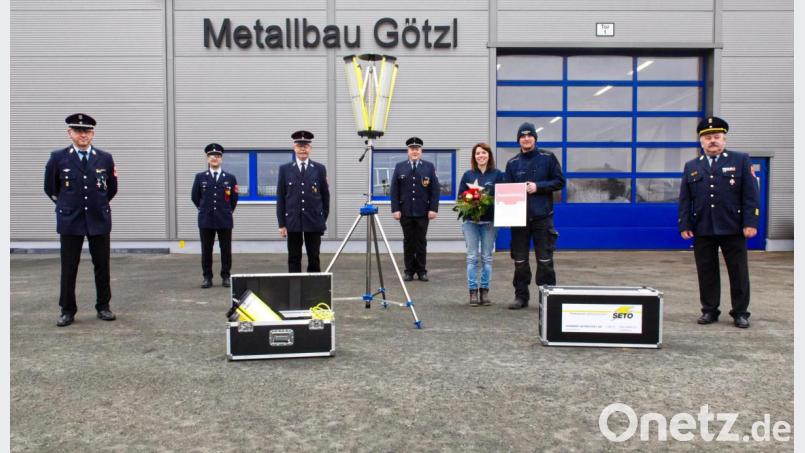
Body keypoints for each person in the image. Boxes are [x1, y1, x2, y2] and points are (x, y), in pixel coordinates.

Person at [678, 116, 760, 328]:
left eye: (716, 136)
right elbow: (685, 199)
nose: (712, 141)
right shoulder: (691, 166)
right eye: (707, 138)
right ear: (701, 141)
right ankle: (709, 311)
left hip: (733, 226)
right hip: (703, 227)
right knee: (706, 271)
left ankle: (740, 313)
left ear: (724, 139)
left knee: (738, 271)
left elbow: (751, 195)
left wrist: (751, 222)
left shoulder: (740, 160)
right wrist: (684, 224)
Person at [44, 113, 118, 327]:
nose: (83, 135)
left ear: (93, 133)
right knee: (69, 267)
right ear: (70, 133)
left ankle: (103, 306)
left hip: (98, 219)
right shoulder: (58, 157)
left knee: (102, 265)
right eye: (78, 131)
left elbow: (111, 189)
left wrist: (97, 204)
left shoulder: (105, 158)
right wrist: (66, 205)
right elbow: (50, 188)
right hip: (71, 220)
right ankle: (67, 310)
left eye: (87, 131)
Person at [504, 122, 565, 310]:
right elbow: (507, 191)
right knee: (520, 261)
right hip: (519, 220)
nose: (526, 139)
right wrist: (507, 215)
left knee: (545, 260)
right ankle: (521, 297)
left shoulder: (548, 158)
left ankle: (548, 298)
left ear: (535, 139)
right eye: (522, 136)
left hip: (542, 218)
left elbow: (560, 181)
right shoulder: (512, 163)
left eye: (529, 135)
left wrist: (538, 187)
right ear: (518, 140)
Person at [457, 143, 506, 306]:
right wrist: (471, 201)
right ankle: (472, 292)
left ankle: (484, 291)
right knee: (472, 257)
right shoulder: (468, 175)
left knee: (487, 257)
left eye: (484, 153)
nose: (481, 156)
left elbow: (504, 196)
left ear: (489, 155)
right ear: (474, 157)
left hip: (490, 222)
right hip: (470, 222)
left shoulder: (498, 175)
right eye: (477, 153)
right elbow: (460, 197)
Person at [276, 130, 330, 272]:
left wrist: (322, 219)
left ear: (310, 148)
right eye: (299, 146)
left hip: (314, 220)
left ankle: (314, 285)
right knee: (294, 257)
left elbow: (325, 196)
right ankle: (295, 284)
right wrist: (282, 224)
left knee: (314, 257)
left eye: (305, 146)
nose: (303, 149)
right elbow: (281, 197)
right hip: (293, 221)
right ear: (294, 148)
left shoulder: (319, 169)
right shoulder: (285, 169)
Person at [390, 137, 440, 282]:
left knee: (421, 242)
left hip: (423, 212)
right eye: (412, 149)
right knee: (408, 242)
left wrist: (433, 208)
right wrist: (395, 209)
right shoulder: (400, 167)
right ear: (408, 151)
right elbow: (394, 190)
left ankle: (422, 271)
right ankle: (409, 271)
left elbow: (435, 190)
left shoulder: (429, 167)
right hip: (405, 211)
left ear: (421, 151)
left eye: (417, 149)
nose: (414, 151)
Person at [191, 143, 239, 288]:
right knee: (206, 250)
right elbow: (195, 197)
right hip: (206, 219)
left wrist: (226, 210)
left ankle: (226, 276)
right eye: (212, 156)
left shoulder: (230, 178)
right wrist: (204, 209)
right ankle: (207, 277)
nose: (214, 158)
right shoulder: (200, 177)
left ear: (221, 159)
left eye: (217, 156)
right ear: (207, 159)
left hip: (224, 219)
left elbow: (234, 199)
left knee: (226, 249)